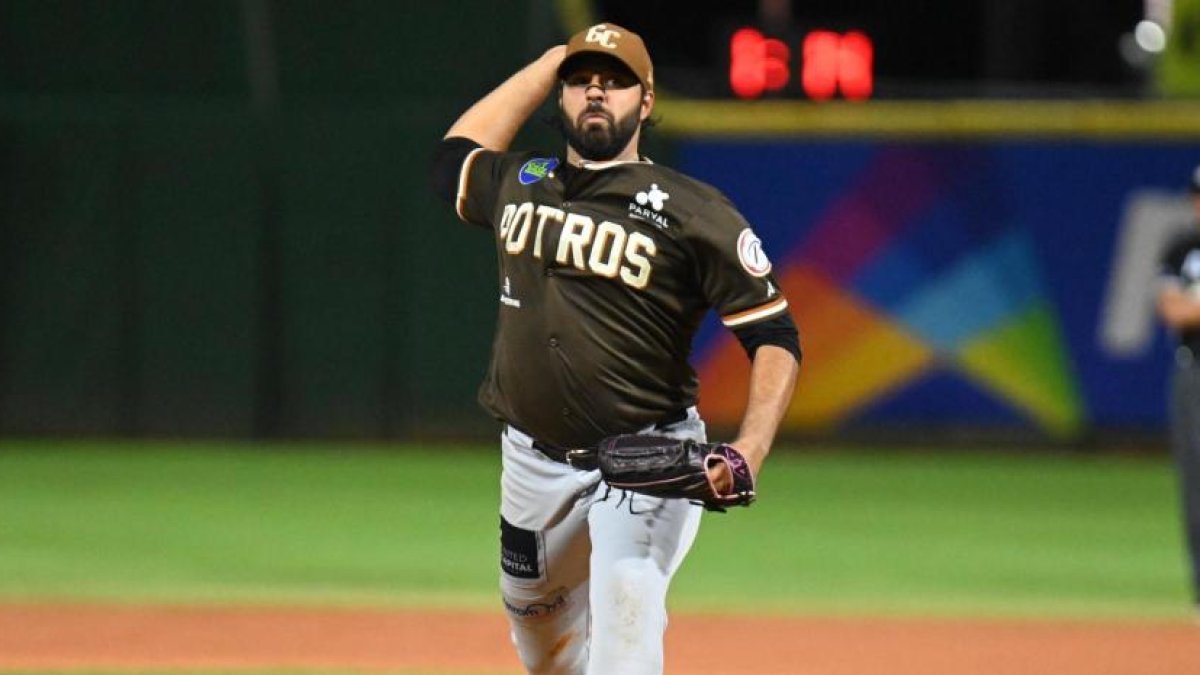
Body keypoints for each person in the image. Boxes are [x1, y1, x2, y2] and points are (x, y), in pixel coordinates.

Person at [430, 23, 800, 674]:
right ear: (559, 94)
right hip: (532, 464)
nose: (596, 91)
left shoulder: (693, 211)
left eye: (615, 80)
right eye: (581, 81)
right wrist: (551, 60)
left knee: (627, 621)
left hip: (645, 461)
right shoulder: (522, 181)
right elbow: (451, 161)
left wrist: (751, 447)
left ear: (647, 101)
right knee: (545, 652)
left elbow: (773, 334)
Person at [1156, 163, 1200, 614]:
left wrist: (1194, 303)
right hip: (1195, 371)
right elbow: (1172, 312)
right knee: (1195, 481)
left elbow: (1187, 307)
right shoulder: (1183, 248)